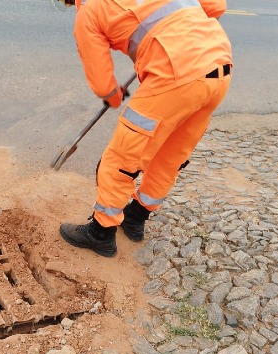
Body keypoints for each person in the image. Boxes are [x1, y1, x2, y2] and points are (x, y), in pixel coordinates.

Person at [57, 0, 232, 257]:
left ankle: (101, 233)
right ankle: (136, 218)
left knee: (122, 156)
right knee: (170, 156)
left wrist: (114, 96)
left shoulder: (89, 11)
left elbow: (102, 81)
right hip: (219, 67)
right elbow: (216, 6)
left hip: (175, 74)